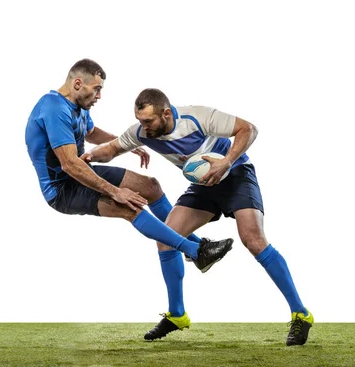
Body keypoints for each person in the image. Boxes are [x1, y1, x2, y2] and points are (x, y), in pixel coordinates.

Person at [81, 88, 313, 346]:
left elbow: (248, 129)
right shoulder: (141, 132)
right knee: (166, 237)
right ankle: (177, 314)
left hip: (236, 175)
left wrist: (225, 162)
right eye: (140, 121)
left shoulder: (196, 117)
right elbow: (112, 149)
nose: (144, 128)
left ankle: (300, 313)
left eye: (148, 121)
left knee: (253, 240)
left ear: (166, 113)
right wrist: (90, 156)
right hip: (203, 185)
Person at [24, 59, 235, 304]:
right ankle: (196, 251)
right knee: (129, 206)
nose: (99, 95)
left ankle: (196, 247)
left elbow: (91, 133)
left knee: (150, 187)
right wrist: (116, 192)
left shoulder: (77, 107)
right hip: (62, 189)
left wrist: (125, 145)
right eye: (96, 89)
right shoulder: (53, 108)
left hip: (81, 173)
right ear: (78, 83)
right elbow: (69, 164)